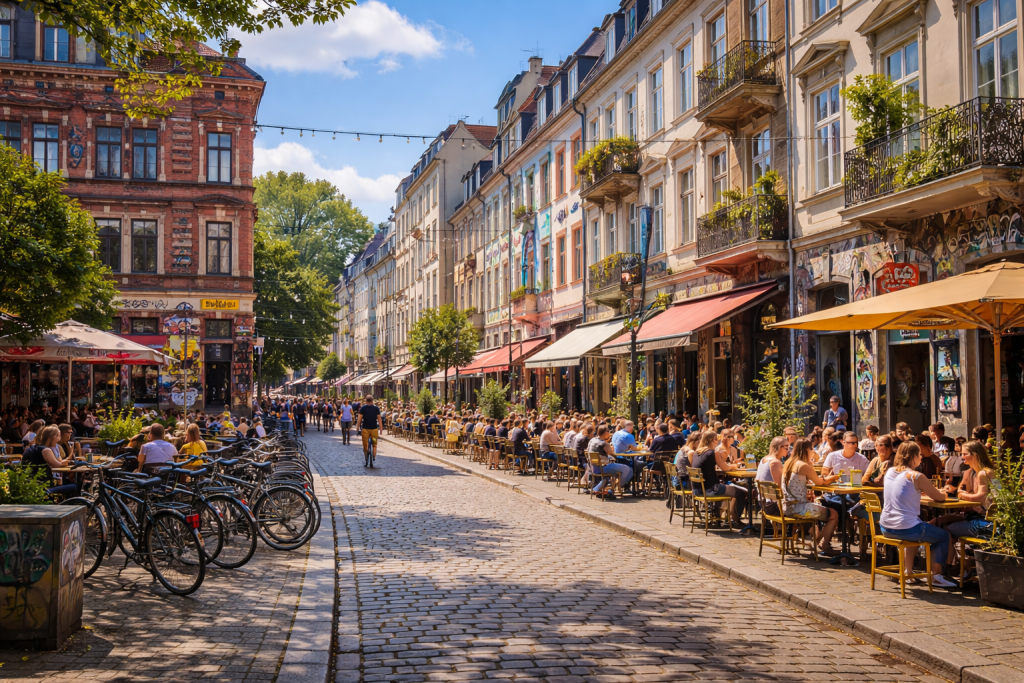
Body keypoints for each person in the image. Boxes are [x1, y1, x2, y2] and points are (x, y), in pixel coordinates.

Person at [879, 442, 957, 588]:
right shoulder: (916, 476)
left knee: (917, 526)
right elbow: (939, 497)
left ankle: (908, 573)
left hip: (886, 527)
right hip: (906, 528)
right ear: (913, 456)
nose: (921, 458)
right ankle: (937, 575)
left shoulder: (890, 472)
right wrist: (946, 492)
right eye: (919, 455)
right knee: (943, 536)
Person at [781, 439, 840, 553]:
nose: (813, 452)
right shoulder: (803, 465)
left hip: (786, 506)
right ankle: (824, 545)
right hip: (798, 508)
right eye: (811, 449)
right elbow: (819, 482)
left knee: (825, 508)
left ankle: (816, 543)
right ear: (805, 450)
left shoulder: (789, 462)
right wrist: (834, 477)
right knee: (834, 514)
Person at [690, 431, 747, 526]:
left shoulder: (697, 452)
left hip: (697, 490)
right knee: (741, 492)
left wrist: (731, 465)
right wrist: (734, 466)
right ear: (713, 440)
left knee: (727, 488)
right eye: (718, 438)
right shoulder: (713, 452)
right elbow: (724, 468)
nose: (718, 441)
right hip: (711, 489)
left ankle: (724, 517)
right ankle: (735, 520)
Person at [22, 425, 77, 498]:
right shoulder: (46, 450)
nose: (59, 439)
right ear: (54, 437)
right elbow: (57, 465)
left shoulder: (31, 448)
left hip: (29, 487)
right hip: (44, 488)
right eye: (58, 436)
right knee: (74, 486)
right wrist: (68, 462)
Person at [588, 425, 631, 496]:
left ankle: (599, 488)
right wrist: (612, 444)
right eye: (608, 431)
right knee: (626, 468)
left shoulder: (592, 440)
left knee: (616, 469)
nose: (609, 433)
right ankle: (619, 486)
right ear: (604, 432)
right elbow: (612, 453)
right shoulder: (603, 443)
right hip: (602, 468)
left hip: (593, 468)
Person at [755, 436, 789, 516]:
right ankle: (788, 528)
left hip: (763, 503)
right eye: (786, 447)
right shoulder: (775, 463)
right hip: (772, 505)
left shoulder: (764, 459)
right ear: (779, 447)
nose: (789, 449)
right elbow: (780, 488)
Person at [355, 395, 381, 466]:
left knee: (365, 444)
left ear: (366, 401)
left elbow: (359, 419)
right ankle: (374, 456)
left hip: (365, 429)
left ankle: (366, 458)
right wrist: (381, 429)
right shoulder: (376, 408)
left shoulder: (363, 408)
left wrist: (357, 427)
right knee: (374, 444)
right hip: (374, 429)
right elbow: (379, 419)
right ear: (372, 400)